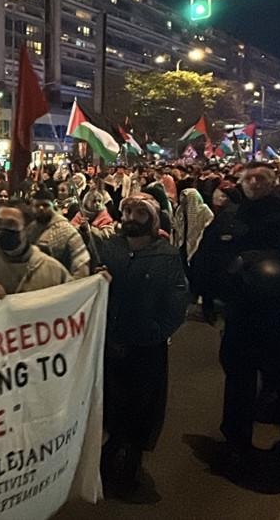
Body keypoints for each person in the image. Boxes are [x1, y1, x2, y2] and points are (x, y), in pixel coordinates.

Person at [194, 163, 280, 485]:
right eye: (248, 178)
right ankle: (237, 443)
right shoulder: (228, 219)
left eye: (261, 177)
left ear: (272, 183)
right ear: (240, 182)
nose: (254, 182)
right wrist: (210, 296)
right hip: (242, 316)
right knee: (239, 382)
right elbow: (205, 260)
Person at [85, 195, 188, 493]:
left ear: (152, 219)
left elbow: (176, 304)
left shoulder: (166, 255)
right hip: (111, 343)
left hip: (145, 350)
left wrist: (154, 333)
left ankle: (129, 469)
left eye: (140, 213)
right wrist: (96, 279)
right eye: (127, 211)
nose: (131, 217)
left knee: (140, 411)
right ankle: (107, 461)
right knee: (112, 406)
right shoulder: (111, 248)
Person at [26, 189, 92, 277]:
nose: (41, 208)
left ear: (53, 206)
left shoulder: (67, 231)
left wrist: (73, 283)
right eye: (37, 205)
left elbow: (81, 264)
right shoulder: (30, 230)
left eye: (45, 205)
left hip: (60, 280)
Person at [172, 188, 214, 269]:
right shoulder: (180, 210)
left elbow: (209, 224)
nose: (183, 202)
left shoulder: (204, 210)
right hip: (183, 244)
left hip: (199, 244)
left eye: (186, 200)